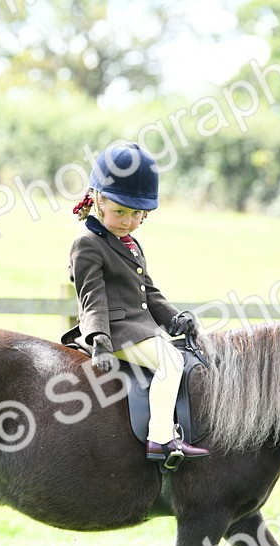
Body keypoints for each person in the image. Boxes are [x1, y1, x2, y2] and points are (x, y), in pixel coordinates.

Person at [61, 142, 209, 465]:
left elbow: (148, 292)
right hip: (115, 332)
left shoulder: (130, 242)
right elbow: (92, 298)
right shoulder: (87, 244)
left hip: (138, 328)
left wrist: (173, 319)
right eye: (120, 212)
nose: (128, 221)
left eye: (136, 214)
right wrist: (98, 339)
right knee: (172, 362)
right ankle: (160, 437)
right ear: (98, 200)